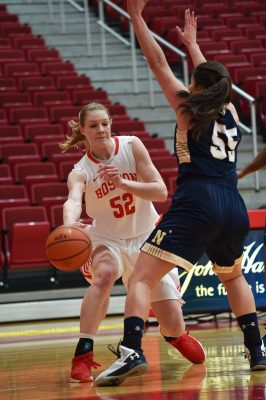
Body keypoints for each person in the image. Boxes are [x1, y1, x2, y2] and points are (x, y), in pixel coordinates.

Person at [95, 1, 266, 386]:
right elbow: (213, 79)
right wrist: (192, 46)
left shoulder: (188, 108)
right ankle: (257, 349)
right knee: (234, 277)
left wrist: (137, 19)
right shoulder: (233, 112)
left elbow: (157, 64)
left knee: (140, 276)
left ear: (197, 87)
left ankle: (131, 350)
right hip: (232, 204)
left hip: (198, 201)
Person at [61, 102, 205, 383]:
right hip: (107, 238)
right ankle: (83, 353)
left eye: (104, 123)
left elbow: (161, 191)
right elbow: (73, 200)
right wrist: (68, 224)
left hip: (146, 239)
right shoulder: (80, 170)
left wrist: (124, 184)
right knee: (103, 275)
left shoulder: (131, 145)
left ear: (110, 124)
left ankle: (175, 334)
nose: (100, 129)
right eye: (93, 125)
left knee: (174, 326)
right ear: (83, 131)